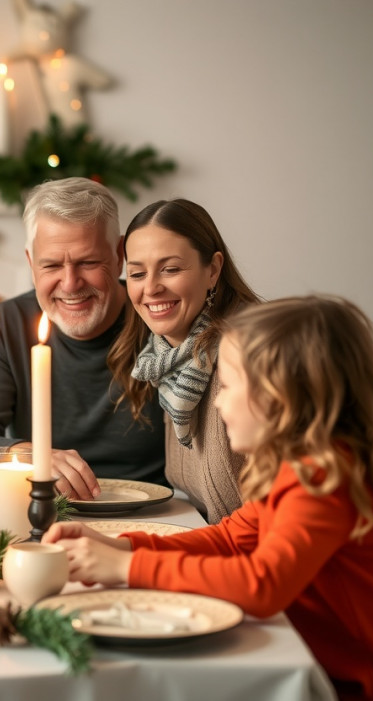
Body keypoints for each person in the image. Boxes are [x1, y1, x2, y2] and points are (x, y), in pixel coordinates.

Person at [44, 295, 373, 700]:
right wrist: (121, 545)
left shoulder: (322, 479)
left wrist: (127, 567)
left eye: (226, 386)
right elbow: (229, 540)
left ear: (278, 398)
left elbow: (263, 585)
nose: (218, 401)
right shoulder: (297, 468)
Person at [0, 177, 165, 497]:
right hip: (44, 507)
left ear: (119, 254)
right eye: (51, 265)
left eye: (88, 262)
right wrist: (30, 456)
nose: (70, 284)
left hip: (153, 508)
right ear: (31, 263)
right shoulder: (9, 323)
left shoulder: (158, 316)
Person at [107, 199, 260, 523]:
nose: (151, 288)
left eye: (171, 269)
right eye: (137, 273)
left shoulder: (252, 352)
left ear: (213, 270)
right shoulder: (168, 360)